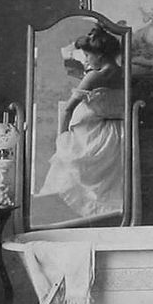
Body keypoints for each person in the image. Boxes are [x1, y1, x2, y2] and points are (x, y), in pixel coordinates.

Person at [38, 24, 124, 218]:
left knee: (65, 168)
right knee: (103, 187)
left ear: (100, 56)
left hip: (91, 131)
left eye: (87, 56)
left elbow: (69, 108)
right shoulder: (121, 73)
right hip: (114, 132)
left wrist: (61, 139)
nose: (85, 61)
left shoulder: (95, 75)